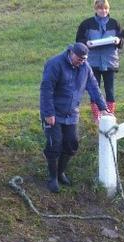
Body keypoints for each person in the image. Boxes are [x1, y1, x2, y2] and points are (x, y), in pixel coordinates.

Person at [39, 42, 110, 193]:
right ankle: (52, 177)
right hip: (54, 113)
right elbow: (46, 90)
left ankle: (60, 172)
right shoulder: (55, 64)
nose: (81, 61)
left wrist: (103, 108)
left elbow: (94, 88)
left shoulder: (85, 68)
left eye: (84, 59)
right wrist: (48, 113)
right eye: (79, 58)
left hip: (72, 113)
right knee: (55, 144)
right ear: (71, 53)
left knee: (71, 144)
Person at [75, 0, 124, 122]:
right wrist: (86, 43)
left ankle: (110, 113)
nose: (103, 11)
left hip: (110, 62)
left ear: (108, 9)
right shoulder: (86, 24)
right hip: (92, 63)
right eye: (100, 9)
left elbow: (123, 39)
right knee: (94, 89)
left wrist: (118, 41)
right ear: (95, 9)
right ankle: (97, 115)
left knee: (110, 89)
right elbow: (79, 41)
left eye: (105, 9)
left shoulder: (115, 23)